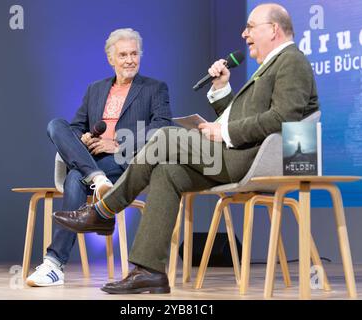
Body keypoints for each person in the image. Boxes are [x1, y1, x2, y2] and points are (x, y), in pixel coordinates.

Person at [54, 3, 319, 294]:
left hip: (248, 158)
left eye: (251, 27)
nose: (244, 34)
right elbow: (244, 117)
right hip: (233, 153)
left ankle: (104, 211)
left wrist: (223, 131)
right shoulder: (270, 65)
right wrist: (221, 89)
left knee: (164, 136)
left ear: (274, 29)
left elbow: (285, 119)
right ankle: (149, 270)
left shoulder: (291, 61)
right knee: (166, 172)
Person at [26, 28, 172, 287]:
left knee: (75, 177)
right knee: (55, 125)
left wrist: (117, 143)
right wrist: (81, 139)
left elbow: (161, 127)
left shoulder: (154, 89)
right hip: (93, 159)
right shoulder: (95, 89)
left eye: (134, 54)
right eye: (123, 54)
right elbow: (74, 127)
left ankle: (53, 263)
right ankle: (96, 178)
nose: (129, 60)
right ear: (111, 59)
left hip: (125, 160)